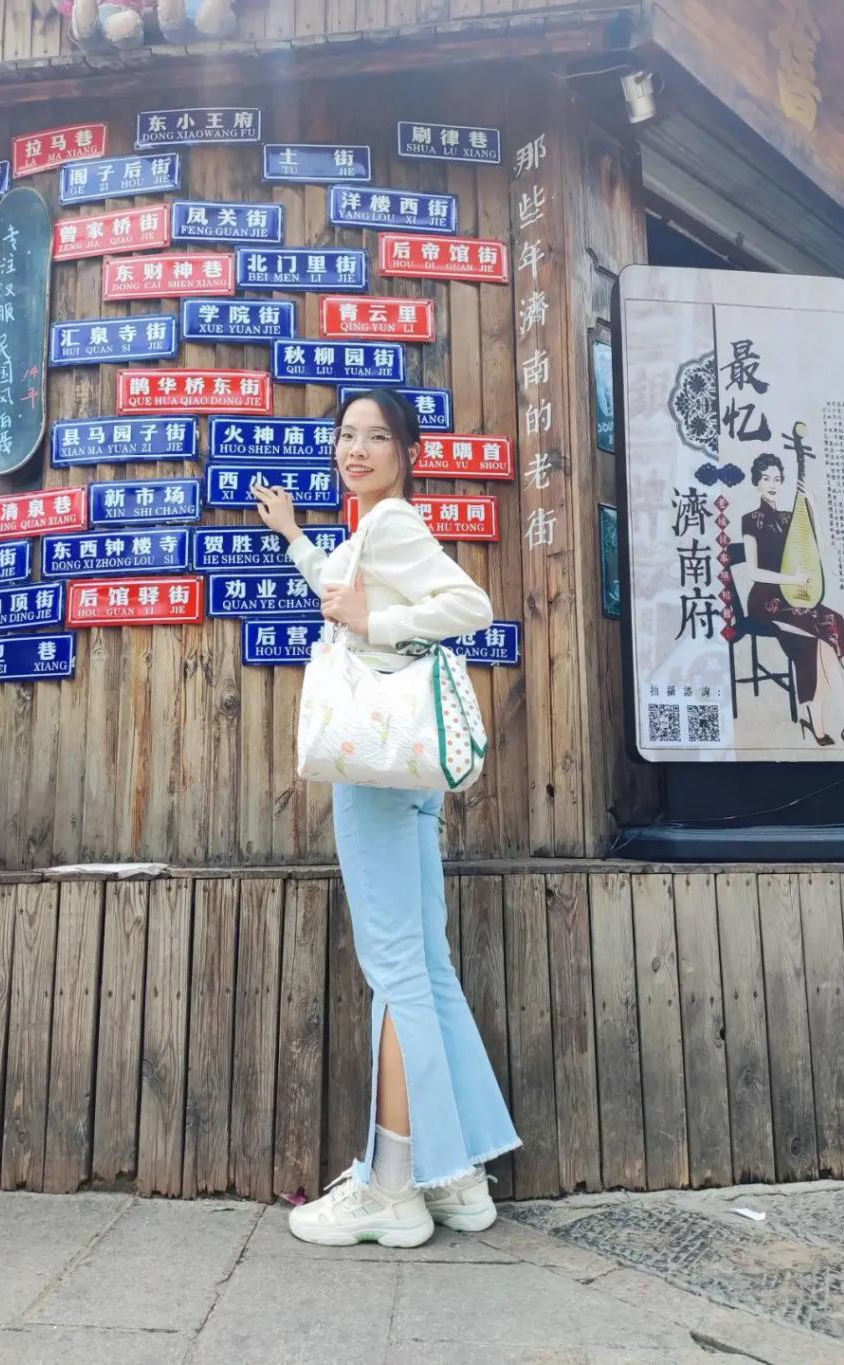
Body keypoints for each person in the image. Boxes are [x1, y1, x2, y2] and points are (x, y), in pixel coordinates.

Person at [253, 389, 522, 1248]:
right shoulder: (372, 531)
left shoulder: (395, 524)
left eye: (376, 436)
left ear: (407, 452)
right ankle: (458, 1177)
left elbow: (469, 606)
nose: (356, 448)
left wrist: (382, 618)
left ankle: (394, 1185)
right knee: (426, 966)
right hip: (403, 767)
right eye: (347, 435)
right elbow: (338, 588)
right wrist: (294, 536)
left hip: (376, 766)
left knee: (397, 966)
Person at [741, 453, 844, 761]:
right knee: (822, 638)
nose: (772, 484)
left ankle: (823, 717)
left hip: (795, 597)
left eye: (777, 478)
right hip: (766, 601)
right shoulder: (750, 520)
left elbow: (818, 549)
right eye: (766, 478)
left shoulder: (789, 518)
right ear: (757, 482)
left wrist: (813, 507)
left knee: (829, 625)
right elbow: (753, 572)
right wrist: (791, 578)